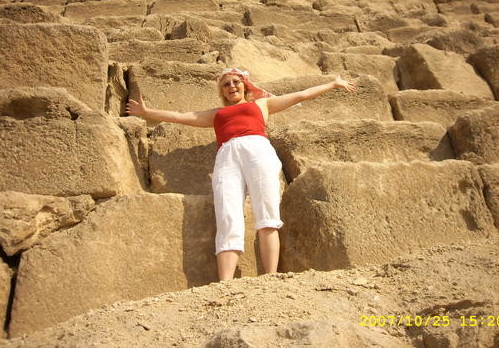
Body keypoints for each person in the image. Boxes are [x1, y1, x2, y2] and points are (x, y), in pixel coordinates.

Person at [126, 68, 357, 281]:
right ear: (222, 91)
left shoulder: (262, 104)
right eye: (226, 84)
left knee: (267, 213)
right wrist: (146, 112)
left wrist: (333, 84)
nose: (231, 86)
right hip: (227, 157)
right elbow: (179, 115)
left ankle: (270, 277)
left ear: (245, 85)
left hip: (258, 151)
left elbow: (301, 95)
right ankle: (225, 283)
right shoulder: (216, 114)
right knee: (227, 214)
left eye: (235, 82)